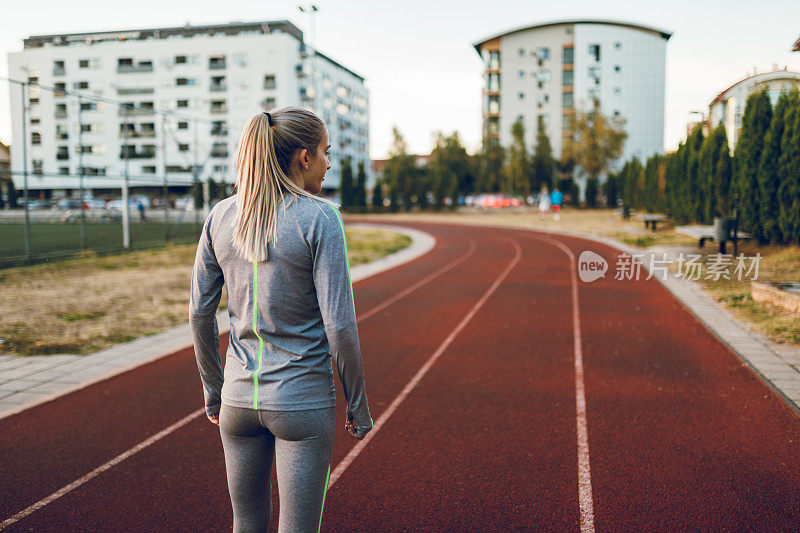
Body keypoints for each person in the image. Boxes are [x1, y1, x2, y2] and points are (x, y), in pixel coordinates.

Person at [189, 107, 373, 532]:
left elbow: (200, 310)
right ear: (304, 157)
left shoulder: (221, 215)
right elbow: (340, 326)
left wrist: (213, 390)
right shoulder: (321, 217)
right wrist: (357, 405)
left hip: (237, 401)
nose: (330, 164)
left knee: (246, 524)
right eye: (326, 153)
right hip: (300, 402)